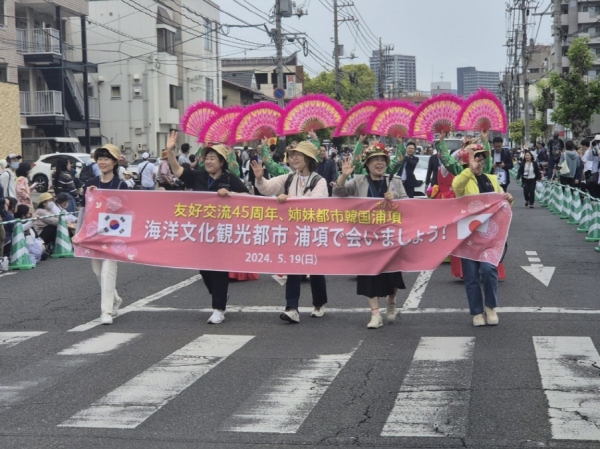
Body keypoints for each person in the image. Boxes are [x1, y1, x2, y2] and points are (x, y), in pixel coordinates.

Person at [166, 131, 249, 324]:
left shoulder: (230, 180)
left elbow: (249, 198)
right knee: (205, 270)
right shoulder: (198, 176)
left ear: (222, 162)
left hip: (223, 233)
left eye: (213, 158)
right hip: (201, 232)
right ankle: (219, 296)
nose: (209, 161)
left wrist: (230, 194)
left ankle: (218, 309)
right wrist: (170, 151)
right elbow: (177, 170)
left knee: (219, 269)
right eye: (207, 157)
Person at [251, 141, 329, 324]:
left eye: (298, 155)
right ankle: (292, 308)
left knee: (316, 269)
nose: (293, 158)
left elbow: (315, 202)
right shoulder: (288, 178)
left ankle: (319, 302)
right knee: (293, 266)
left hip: (313, 231)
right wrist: (260, 178)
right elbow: (266, 189)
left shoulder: (320, 181)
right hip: (292, 231)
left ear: (309, 159)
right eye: (292, 155)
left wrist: (289, 199)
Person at [333, 142, 408, 328]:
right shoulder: (358, 180)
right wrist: (343, 175)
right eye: (375, 160)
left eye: (383, 159)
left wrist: (396, 198)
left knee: (393, 276)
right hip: (366, 237)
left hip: (390, 236)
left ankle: (391, 302)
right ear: (367, 164)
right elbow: (338, 192)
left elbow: (408, 205)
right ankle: (375, 314)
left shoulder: (395, 181)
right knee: (368, 275)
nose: (379, 163)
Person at [452, 144, 513, 327]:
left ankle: (490, 307)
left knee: (488, 271)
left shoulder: (492, 179)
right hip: (468, 236)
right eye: (476, 158)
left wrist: (509, 199)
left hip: (490, 236)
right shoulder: (462, 180)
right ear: (467, 161)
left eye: (481, 158)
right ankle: (477, 312)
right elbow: (456, 187)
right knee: (470, 276)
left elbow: (503, 202)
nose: (479, 161)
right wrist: (469, 170)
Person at [78, 144, 130, 325]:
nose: (102, 162)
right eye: (100, 158)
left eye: (106, 158)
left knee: (108, 270)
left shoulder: (122, 185)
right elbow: (83, 210)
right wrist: (78, 234)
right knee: (97, 271)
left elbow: (128, 212)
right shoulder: (89, 184)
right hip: (94, 235)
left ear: (115, 162)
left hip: (114, 236)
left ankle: (106, 312)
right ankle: (115, 299)